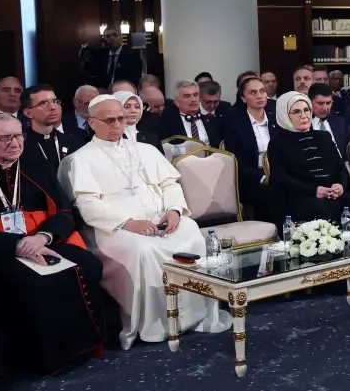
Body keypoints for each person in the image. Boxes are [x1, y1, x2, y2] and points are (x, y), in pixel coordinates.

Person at [61, 96, 231, 350]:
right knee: (144, 249)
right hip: (114, 229)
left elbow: (169, 184)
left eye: (121, 119)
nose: (117, 125)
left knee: (191, 231)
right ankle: (156, 324)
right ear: (92, 122)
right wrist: (128, 223)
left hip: (160, 221)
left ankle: (195, 314)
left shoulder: (146, 150)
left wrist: (174, 211)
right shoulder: (80, 159)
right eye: (110, 120)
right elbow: (87, 205)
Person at [0, 114, 107, 375]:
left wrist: (43, 237)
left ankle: (84, 348)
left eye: (18, 136)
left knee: (87, 264)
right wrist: (16, 244)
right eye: (4, 138)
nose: (14, 143)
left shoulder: (34, 163)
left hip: (42, 237)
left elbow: (65, 211)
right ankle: (45, 361)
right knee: (33, 281)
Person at [266, 92, 350, 224]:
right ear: (284, 115)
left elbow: (340, 167)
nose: (304, 116)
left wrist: (340, 185)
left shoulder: (323, 137)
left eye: (306, 110)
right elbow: (281, 179)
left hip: (331, 192)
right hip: (300, 195)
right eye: (296, 112)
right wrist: (315, 191)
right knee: (320, 208)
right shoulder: (278, 143)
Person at [221, 76, 276, 223]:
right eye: (253, 92)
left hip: (279, 174)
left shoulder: (276, 118)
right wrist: (263, 177)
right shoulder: (235, 124)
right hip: (252, 178)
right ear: (243, 98)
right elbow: (236, 161)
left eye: (262, 91)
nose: (259, 96)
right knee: (271, 194)